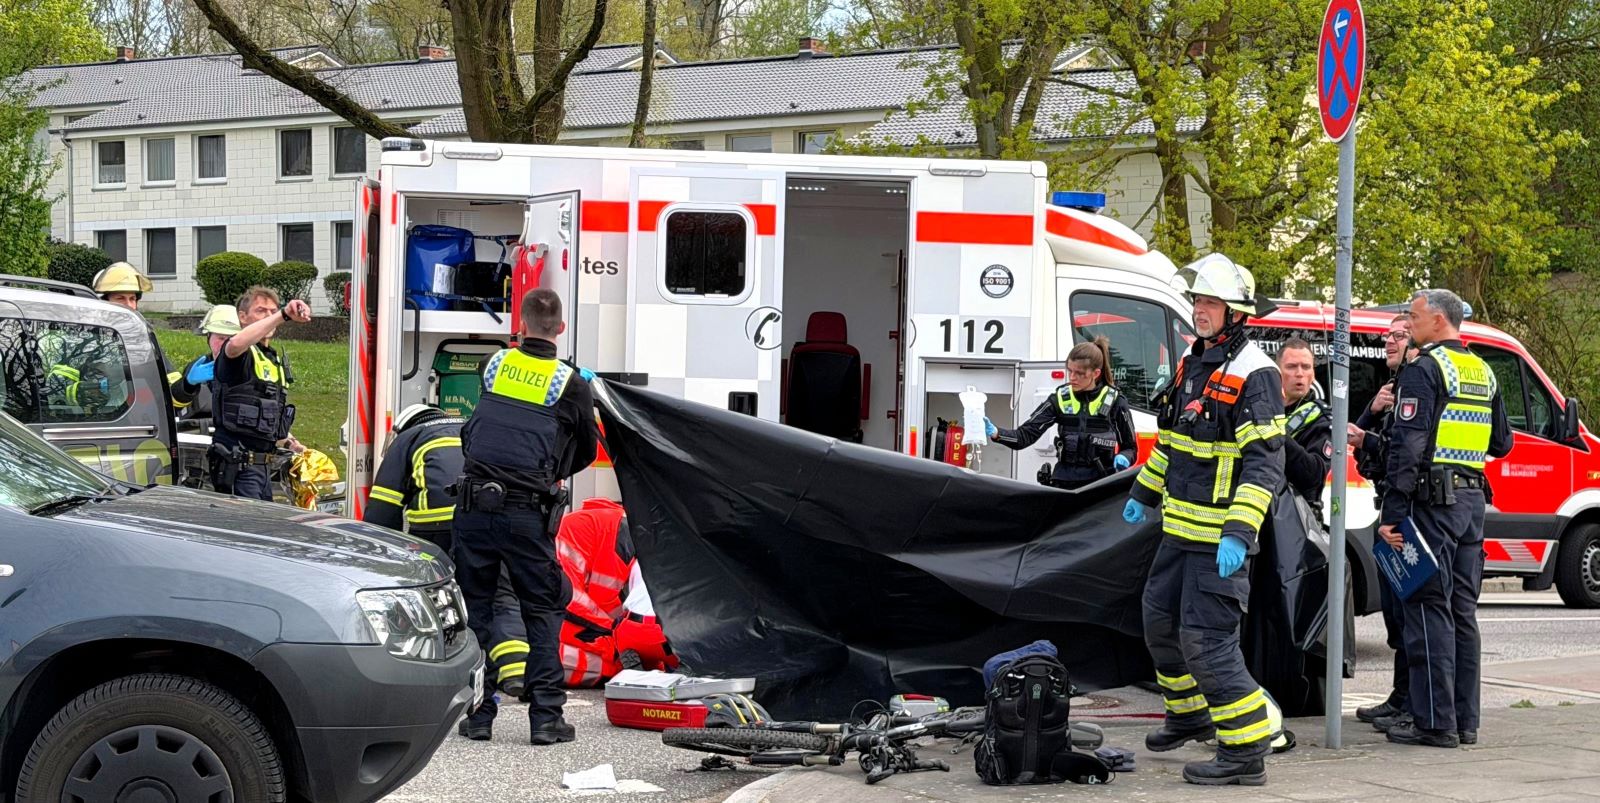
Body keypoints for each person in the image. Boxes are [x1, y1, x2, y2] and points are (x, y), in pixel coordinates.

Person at [1121, 253, 1285, 786]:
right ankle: (1187, 713)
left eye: (1211, 302)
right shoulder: (1196, 361)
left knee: (1207, 642)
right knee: (1158, 622)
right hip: (1180, 532)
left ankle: (1245, 753)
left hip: (1219, 540)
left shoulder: (1255, 373)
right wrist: (1143, 492)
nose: (1201, 309)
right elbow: (1173, 442)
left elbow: (1264, 466)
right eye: (1198, 300)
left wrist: (1239, 532)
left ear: (1236, 312)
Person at [453, 288, 598, 746]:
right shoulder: (571, 383)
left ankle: (478, 716)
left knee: (477, 611)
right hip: (526, 513)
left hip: (473, 508)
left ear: (520, 322)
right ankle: (546, 718)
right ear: (560, 328)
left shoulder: (494, 366)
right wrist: (552, 474)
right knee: (542, 607)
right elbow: (587, 450)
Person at [1377, 289, 1512, 749]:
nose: (1408, 324)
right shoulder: (1483, 370)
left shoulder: (1424, 368)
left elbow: (1408, 447)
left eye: (1413, 317)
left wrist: (1393, 512)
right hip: (1472, 505)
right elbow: (1502, 444)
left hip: (1431, 505)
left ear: (1437, 320)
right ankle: (1465, 721)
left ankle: (1434, 723)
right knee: (1462, 613)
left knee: (1427, 608)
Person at [1347, 314, 1420, 728]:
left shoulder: (1418, 386)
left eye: (1397, 335)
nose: (1387, 342)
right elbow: (1364, 436)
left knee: (1408, 611)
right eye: (1386, 336)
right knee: (1395, 614)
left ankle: (1411, 702)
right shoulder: (1393, 390)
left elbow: (1404, 452)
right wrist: (1372, 411)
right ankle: (1401, 696)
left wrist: (1370, 438)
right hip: (1388, 507)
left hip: (1406, 513)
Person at [984, 337, 1137, 489]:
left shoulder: (1114, 401)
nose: (1072, 377)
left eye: (1079, 373)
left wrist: (1125, 457)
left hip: (1100, 485)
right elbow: (1024, 437)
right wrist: (996, 433)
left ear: (1095, 373)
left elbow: (1131, 448)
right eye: (1070, 371)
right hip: (1064, 483)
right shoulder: (1060, 398)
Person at [211, 287, 310, 500]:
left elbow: (269, 417)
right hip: (237, 467)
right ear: (242, 317)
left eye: (272, 310)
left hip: (264, 468)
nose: (269, 316)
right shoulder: (238, 354)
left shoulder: (271, 360)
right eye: (261, 311)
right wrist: (282, 315)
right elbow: (236, 343)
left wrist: (292, 443)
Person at [363, 403, 465, 554]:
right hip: (480, 521)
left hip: (433, 528)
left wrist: (377, 549)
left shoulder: (410, 437)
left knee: (433, 572)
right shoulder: (470, 429)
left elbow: (383, 506)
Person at [1277, 338, 1332, 515]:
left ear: (1313, 374)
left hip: (1297, 518)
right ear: (1277, 372)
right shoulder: (1264, 408)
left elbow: (1314, 476)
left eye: (1306, 367)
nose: (1299, 374)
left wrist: (1277, 433)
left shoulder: (1321, 419)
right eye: (1292, 367)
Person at [171, 305, 241, 421]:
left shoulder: (251, 366)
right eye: (221, 338)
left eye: (232, 338)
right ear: (208, 337)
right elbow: (174, 407)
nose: (226, 344)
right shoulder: (198, 366)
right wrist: (188, 385)